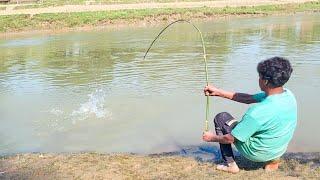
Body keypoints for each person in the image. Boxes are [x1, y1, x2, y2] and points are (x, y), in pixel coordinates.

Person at [202, 56, 297, 173]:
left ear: (265, 81)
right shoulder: (288, 95)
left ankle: (230, 165)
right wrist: (218, 92)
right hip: (278, 149)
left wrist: (211, 138)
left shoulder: (257, 112)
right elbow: (248, 98)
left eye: (260, 76)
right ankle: (273, 162)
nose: (258, 79)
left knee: (221, 118)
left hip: (256, 153)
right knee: (274, 128)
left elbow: (229, 139)